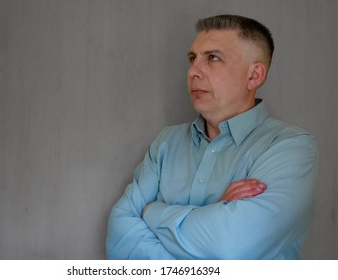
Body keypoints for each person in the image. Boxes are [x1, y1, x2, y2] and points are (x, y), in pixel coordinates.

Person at [106, 14, 319, 260]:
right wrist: (213, 214)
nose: (193, 71)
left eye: (213, 58)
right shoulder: (167, 142)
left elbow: (228, 246)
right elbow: (119, 237)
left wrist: (151, 212)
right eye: (192, 58)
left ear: (254, 76)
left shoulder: (290, 148)